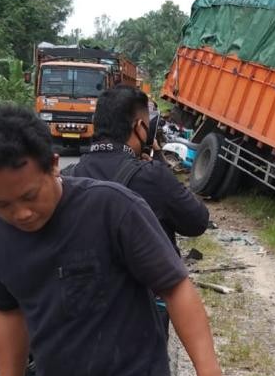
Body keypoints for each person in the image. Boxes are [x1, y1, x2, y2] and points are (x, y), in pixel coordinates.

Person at [0, 104, 240, 376]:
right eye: (2, 203)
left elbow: (176, 287)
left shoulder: (112, 208)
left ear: (54, 164)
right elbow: (7, 314)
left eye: (29, 196)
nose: (20, 213)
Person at [68, 85, 209, 253]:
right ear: (140, 128)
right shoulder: (152, 176)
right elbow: (197, 221)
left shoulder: (68, 176)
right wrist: (159, 161)